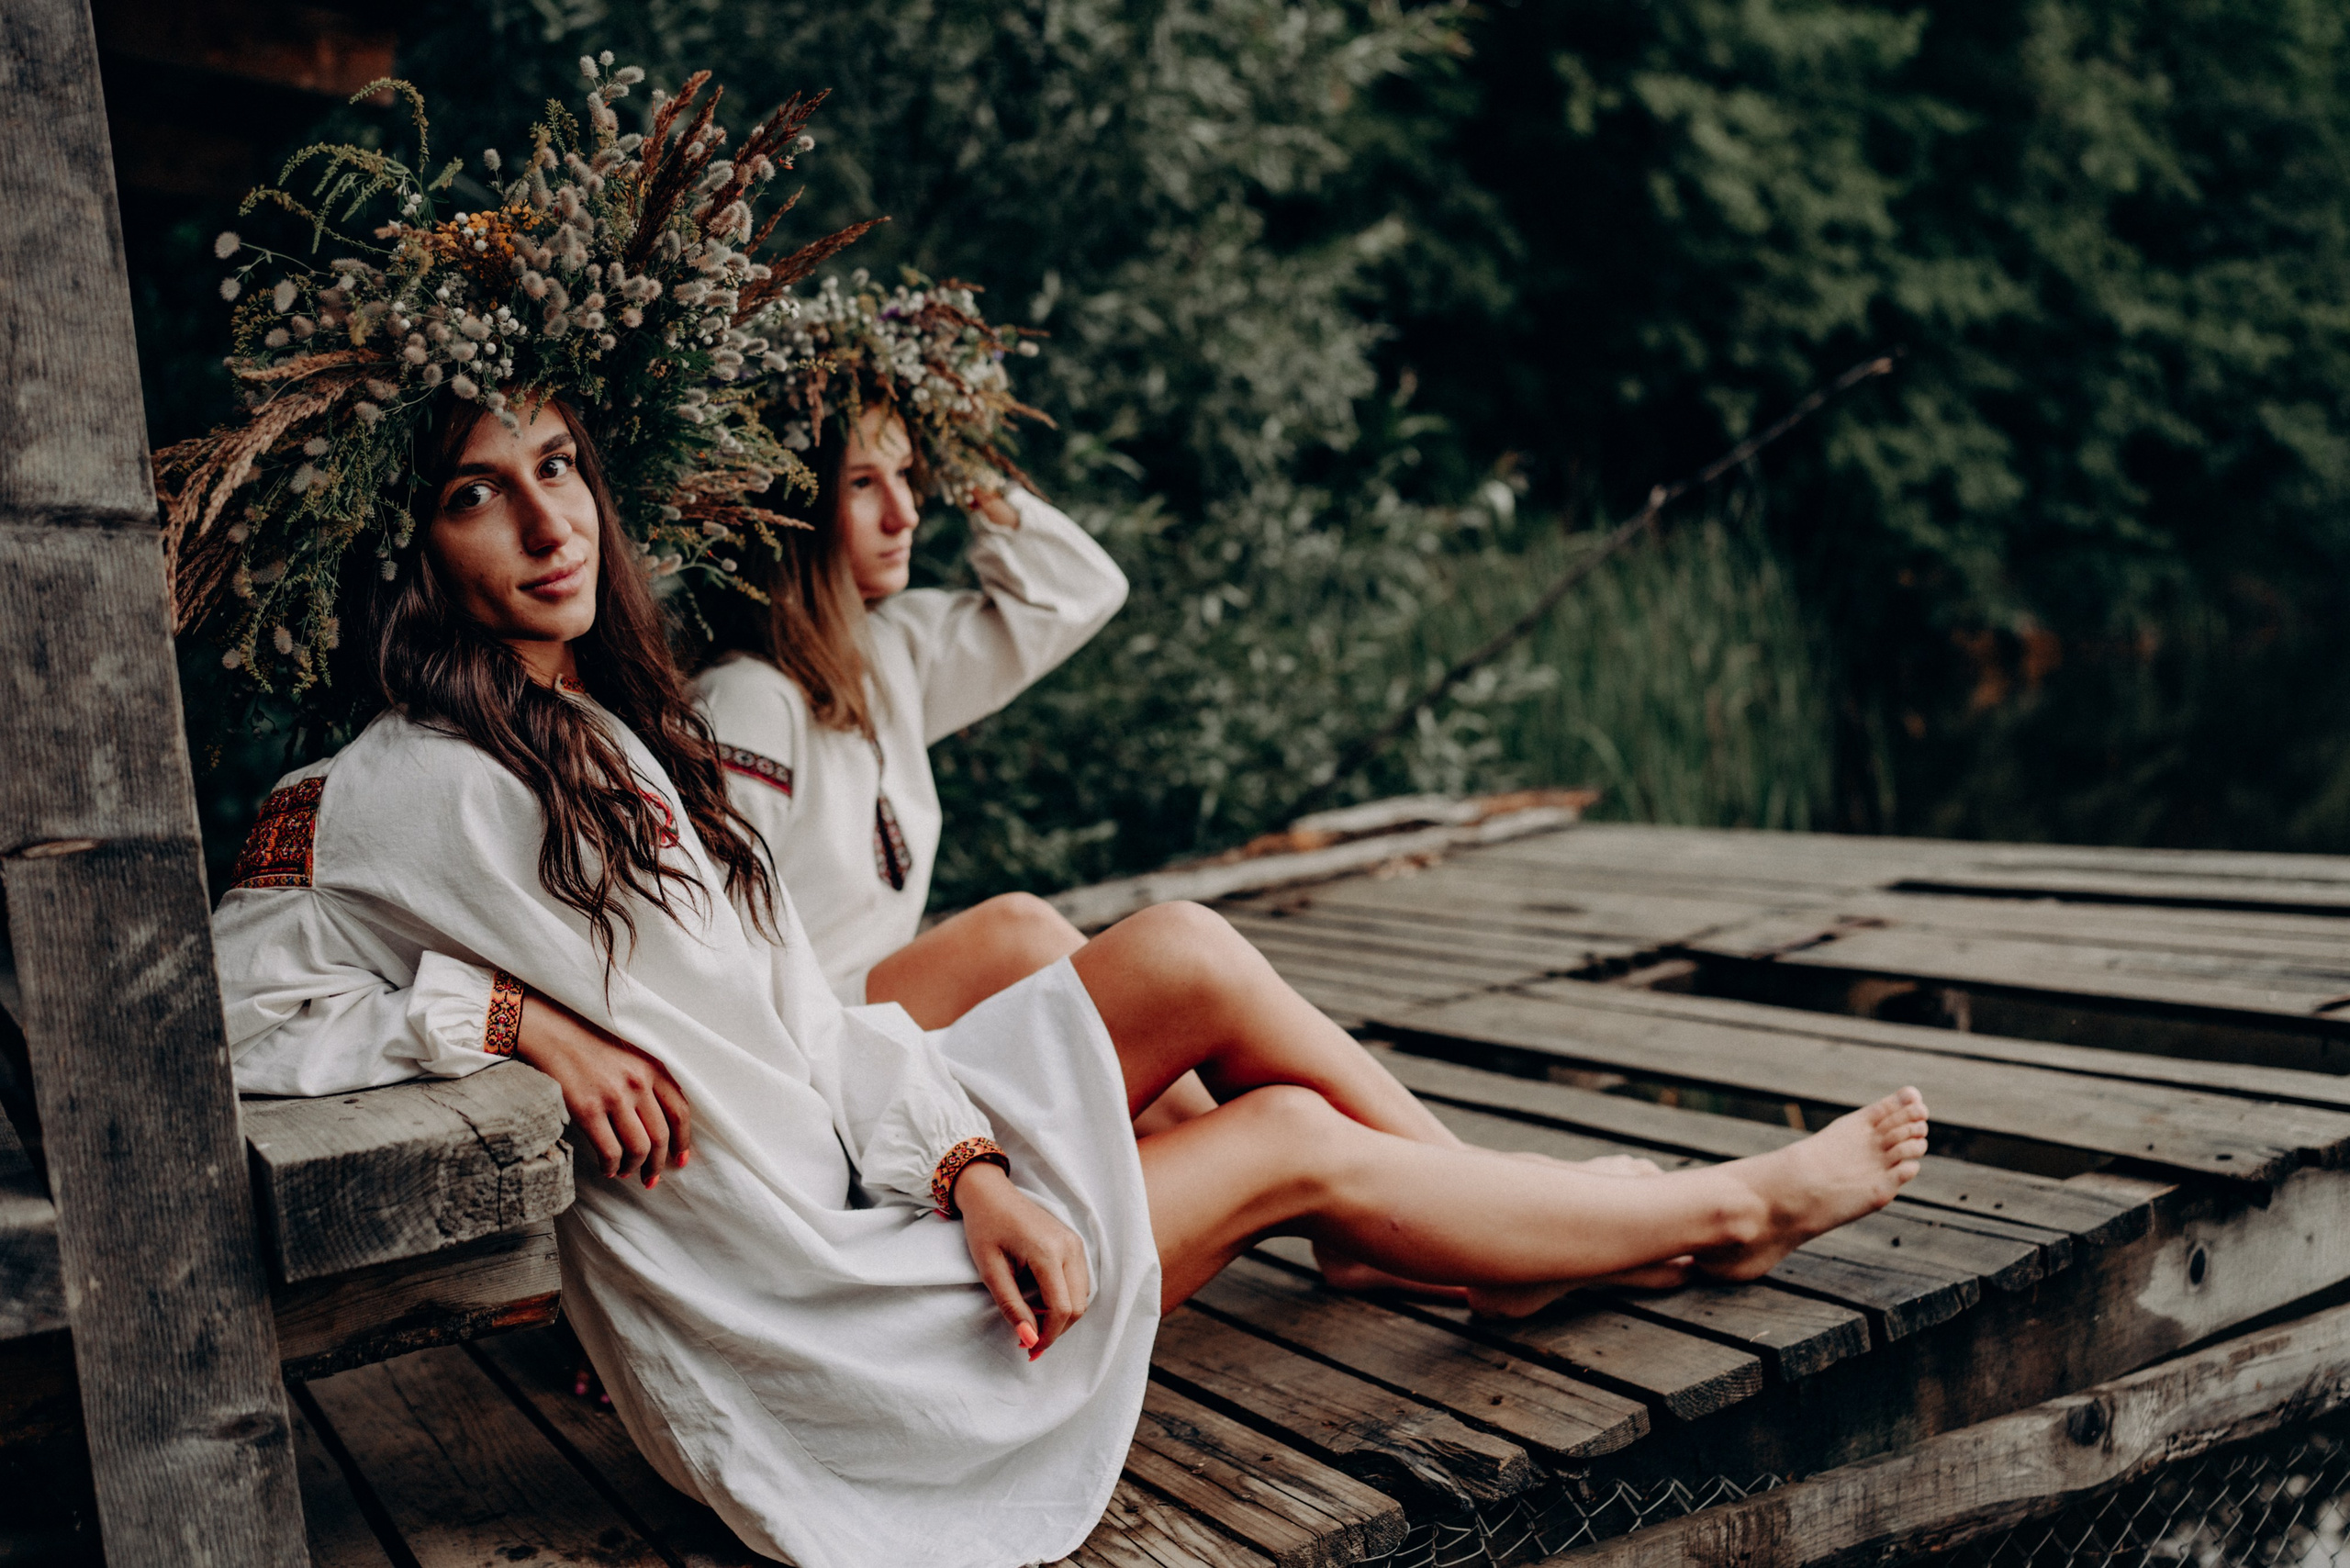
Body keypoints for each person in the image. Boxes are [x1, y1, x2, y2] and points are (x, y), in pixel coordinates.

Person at [209, 394, 1931, 1568]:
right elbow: (208, 1017)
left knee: (1173, 952)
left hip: (865, 1207)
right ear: (410, 547)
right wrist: (507, 1024)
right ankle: (1713, 1213)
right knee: (1281, 1150)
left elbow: (809, 1024)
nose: (542, 519)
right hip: (814, 1340)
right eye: (473, 493)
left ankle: (1523, 1209)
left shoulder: (613, 735)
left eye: (561, 467)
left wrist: (962, 1171)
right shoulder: (380, 787)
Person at [692, 274, 1124, 1028]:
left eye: (909, 476)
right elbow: (712, 946)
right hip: (818, 1039)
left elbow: (1079, 591)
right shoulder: (746, 700)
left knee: (1259, 1100)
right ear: (797, 505)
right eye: (863, 483)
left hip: (899, 1020)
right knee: (1018, 936)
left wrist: (956, 452)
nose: (907, 513)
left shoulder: (893, 650)